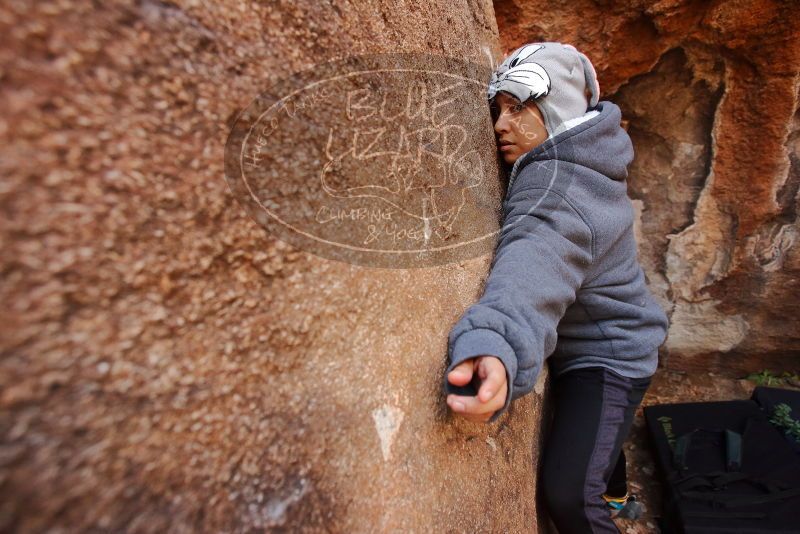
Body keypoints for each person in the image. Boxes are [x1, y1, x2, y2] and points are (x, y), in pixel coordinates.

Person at [442, 42, 669, 533]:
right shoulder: (590, 156)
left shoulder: (560, 186)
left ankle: (608, 501)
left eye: (518, 106)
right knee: (597, 440)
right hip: (594, 330)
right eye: (498, 108)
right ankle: (618, 490)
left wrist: (496, 343)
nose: (501, 124)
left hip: (609, 357)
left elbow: (536, 258)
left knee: (568, 496)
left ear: (559, 106)